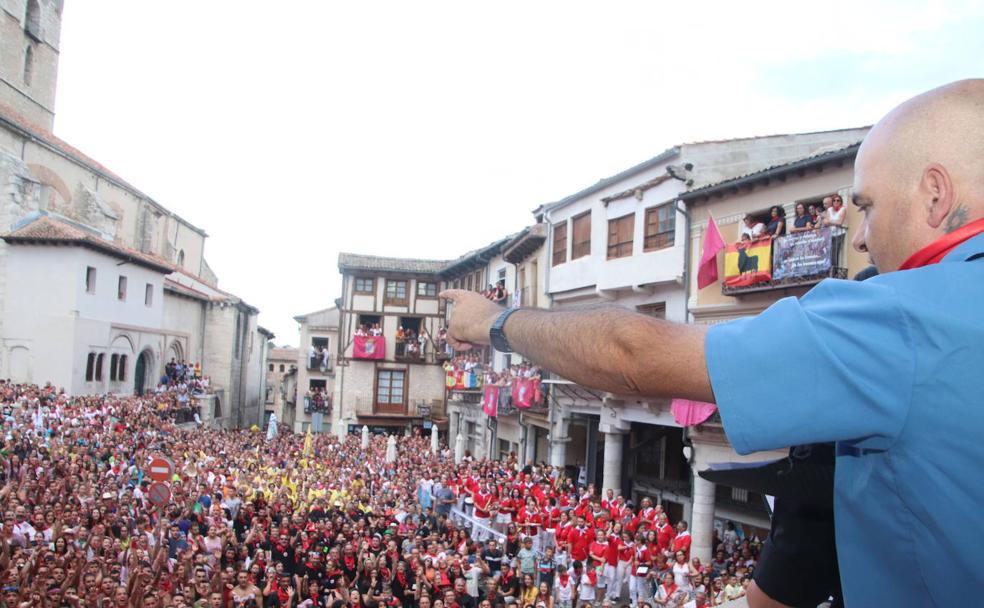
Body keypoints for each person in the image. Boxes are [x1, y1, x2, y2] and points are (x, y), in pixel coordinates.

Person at [440, 80, 984, 607]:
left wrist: (497, 322)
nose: (861, 236)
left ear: (935, 194)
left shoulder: (900, 317)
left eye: (865, 206)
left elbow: (632, 354)